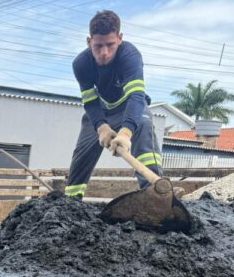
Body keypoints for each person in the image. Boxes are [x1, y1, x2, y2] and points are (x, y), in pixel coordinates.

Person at [65, 10, 164, 199]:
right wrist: (101, 127)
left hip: (129, 106)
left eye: (110, 45)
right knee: (82, 152)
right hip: (101, 110)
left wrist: (126, 133)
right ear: (88, 42)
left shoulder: (130, 56)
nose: (104, 53)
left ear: (120, 38)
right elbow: (91, 102)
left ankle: (155, 195)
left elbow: (136, 96)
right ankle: (71, 200)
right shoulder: (81, 64)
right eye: (98, 46)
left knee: (142, 126)